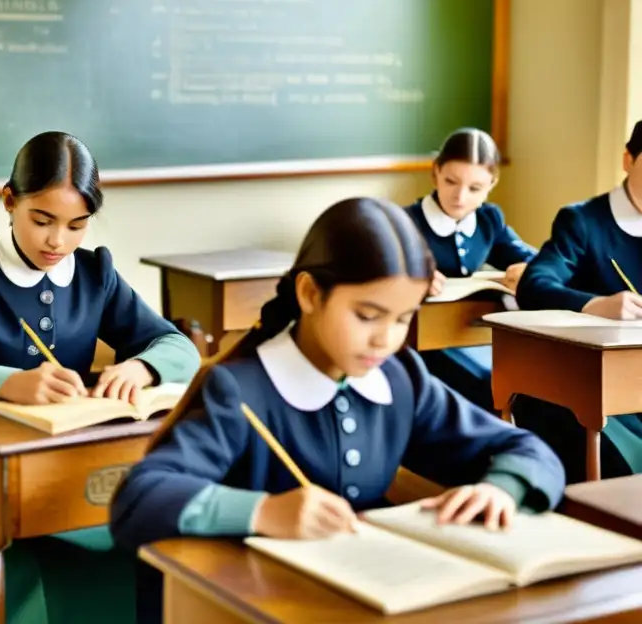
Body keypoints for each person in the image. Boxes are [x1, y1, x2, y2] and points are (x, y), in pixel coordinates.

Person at [109, 197, 564, 616]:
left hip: (362, 598)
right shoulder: (240, 389)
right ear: (310, 294)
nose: (385, 339)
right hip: (245, 604)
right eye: (367, 316)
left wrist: (501, 488)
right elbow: (140, 500)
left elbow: (528, 449)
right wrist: (264, 512)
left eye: (403, 319)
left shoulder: (399, 378)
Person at [0, 131, 201, 624]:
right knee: (40, 570)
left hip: (74, 469)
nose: (58, 241)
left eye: (77, 225)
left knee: (141, 554)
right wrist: (11, 383)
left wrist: (139, 365)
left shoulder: (94, 274)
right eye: (42, 220)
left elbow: (178, 346)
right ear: (8, 201)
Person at [513, 120, 642, 481]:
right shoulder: (583, 221)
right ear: (627, 160)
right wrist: (594, 304)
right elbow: (534, 284)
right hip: (584, 385)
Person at [404, 128, 536, 410]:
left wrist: (531, 270)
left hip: (474, 334)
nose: (460, 196)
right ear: (435, 173)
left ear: (492, 183)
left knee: (535, 377)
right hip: (422, 344)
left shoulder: (489, 219)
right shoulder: (406, 223)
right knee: (489, 383)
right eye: (451, 181)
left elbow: (528, 256)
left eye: (475, 188)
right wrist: (411, 276)